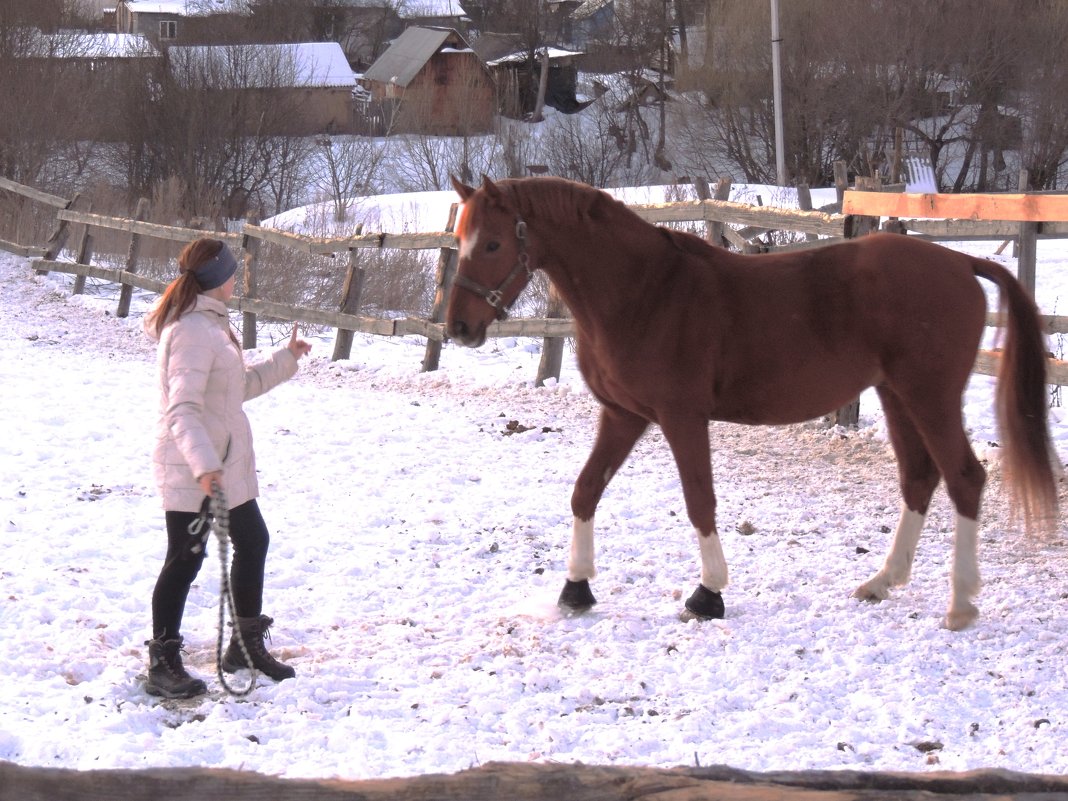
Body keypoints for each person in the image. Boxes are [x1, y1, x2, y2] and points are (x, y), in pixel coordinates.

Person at [142, 237, 311, 699]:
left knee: (253, 540)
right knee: (185, 558)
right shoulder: (192, 333)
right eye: (235, 272)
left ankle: (243, 646)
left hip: (224, 464)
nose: (239, 278)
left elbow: (234, 390)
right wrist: (203, 467)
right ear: (218, 279)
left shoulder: (212, 326)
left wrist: (286, 359)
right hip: (193, 468)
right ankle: (162, 660)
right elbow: (182, 411)